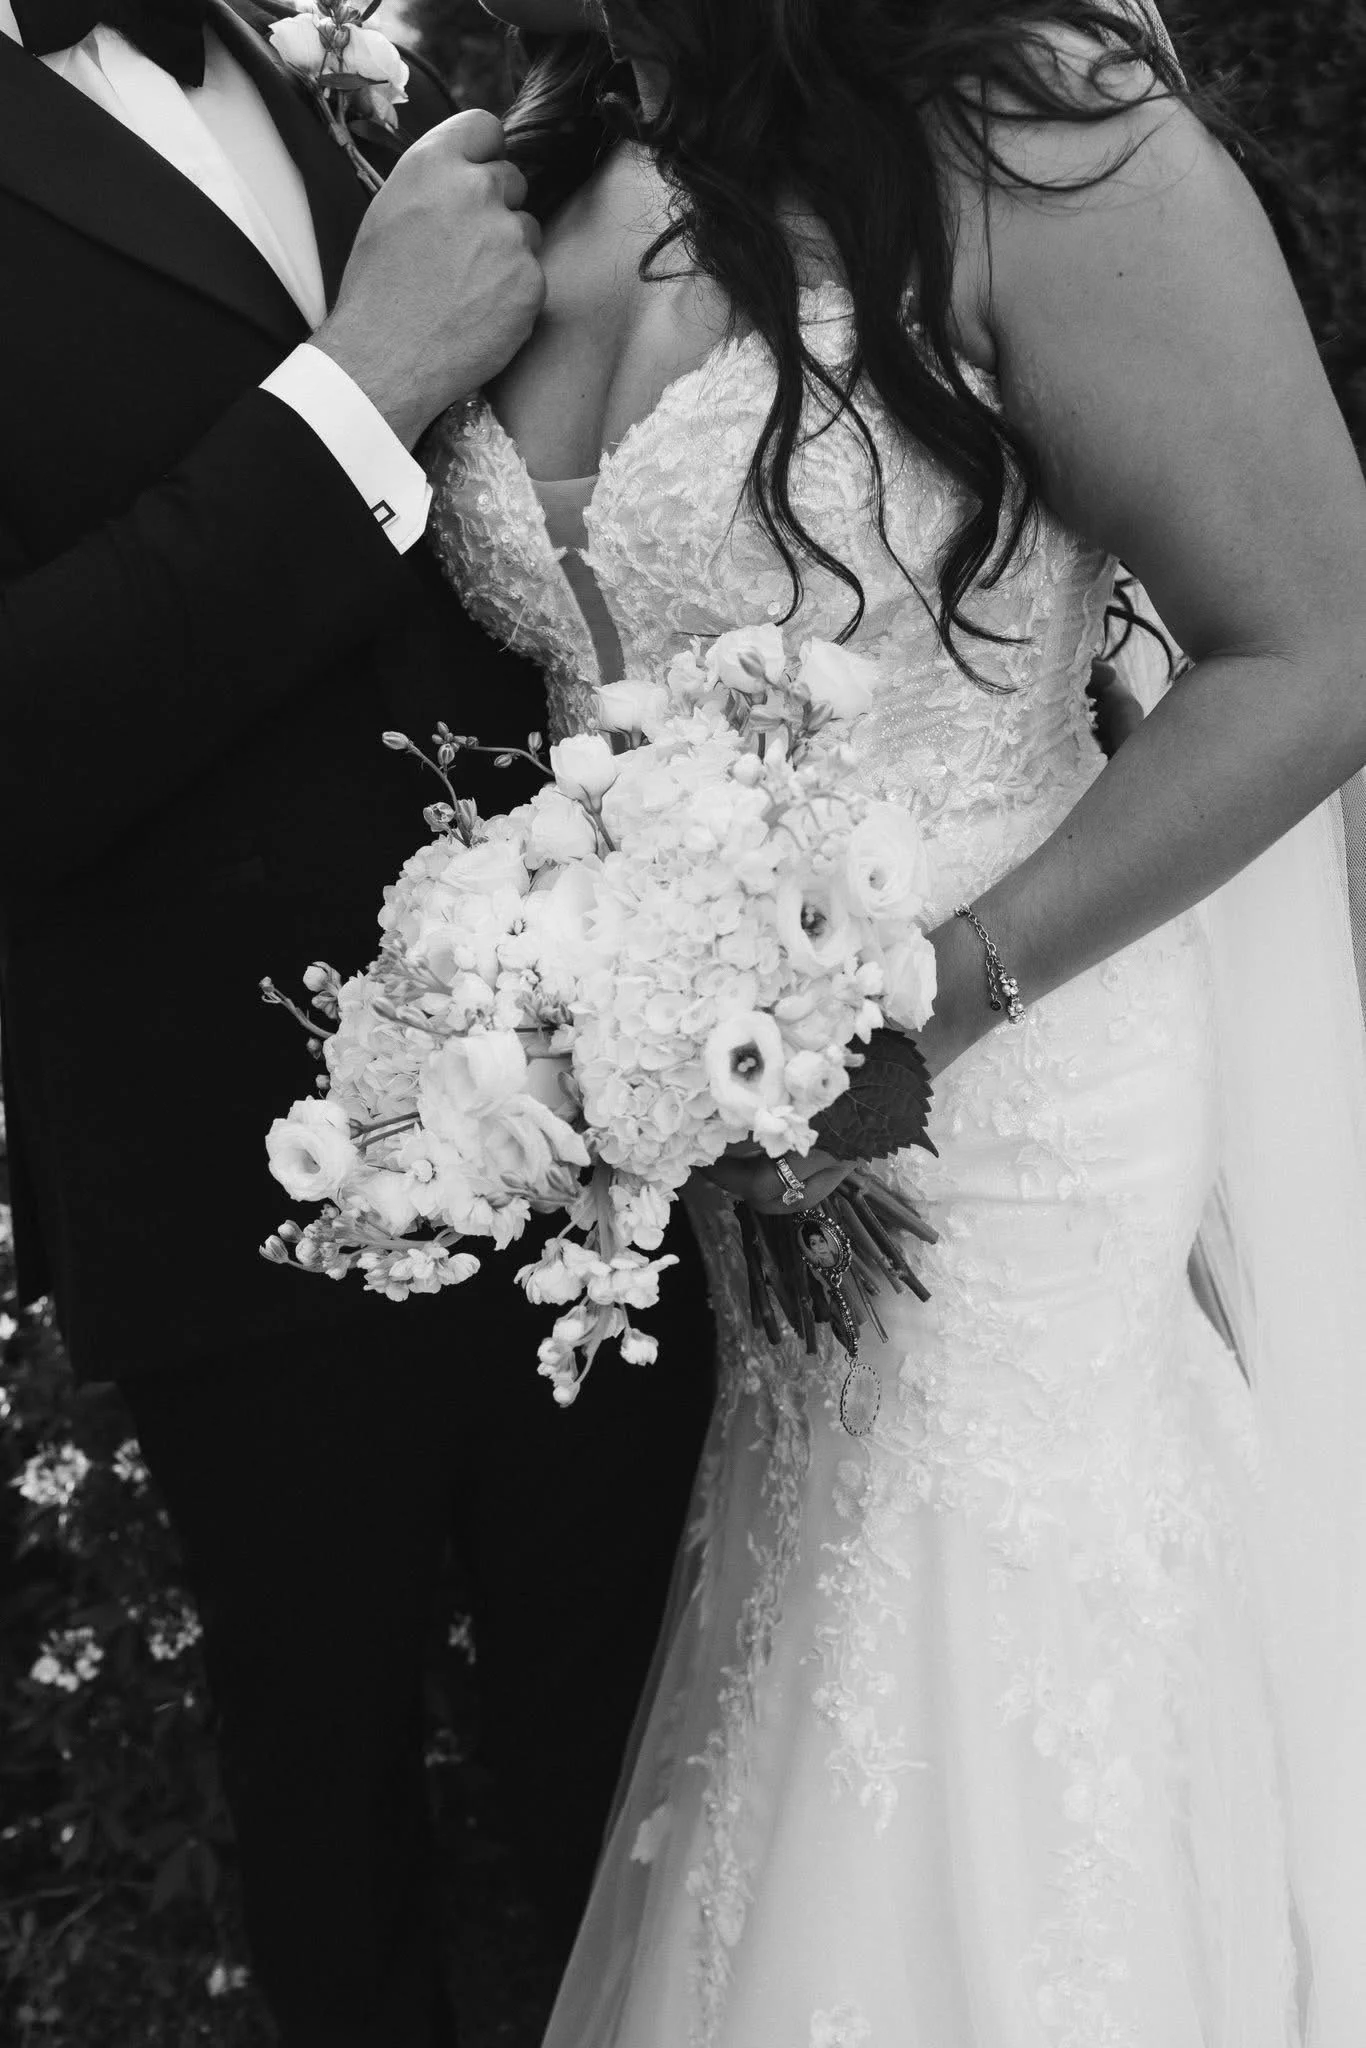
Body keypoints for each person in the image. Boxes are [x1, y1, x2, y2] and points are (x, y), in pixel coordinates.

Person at [426, 1, 1366, 2040]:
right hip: (732, 1156)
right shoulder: (534, 155)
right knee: (802, 1662)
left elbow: (1309, 646)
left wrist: (931, 1002)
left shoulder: (1038, 143)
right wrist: (595, 1036)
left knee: (992, 1681)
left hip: (1010, 1099)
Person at [0, 4, 713, 2042]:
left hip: (584, 1130)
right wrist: (361, 378)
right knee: (348, 1879)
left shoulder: (289, 57)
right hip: (248, 1189)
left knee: (656, 1808)